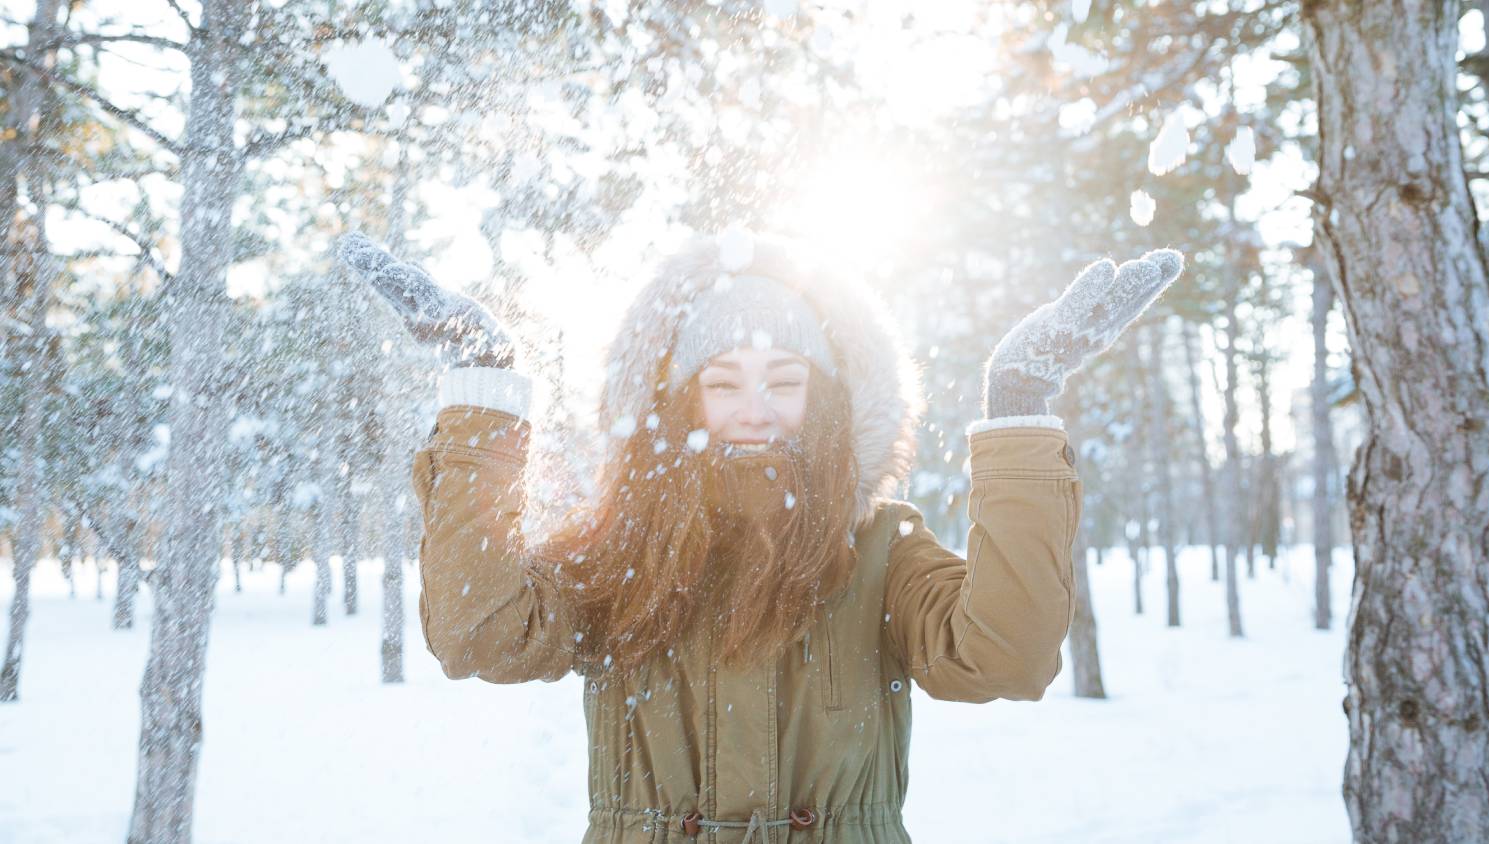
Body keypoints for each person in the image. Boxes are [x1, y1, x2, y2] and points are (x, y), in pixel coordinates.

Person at [338, 230, 1184, 843]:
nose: (755, 405)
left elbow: (1006, 655)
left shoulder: (882, 549)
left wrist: (1019, 404)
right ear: (680, 399)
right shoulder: (617, 550)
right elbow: (479, 633)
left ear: (827, 399)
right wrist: (485, 382)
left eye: (785, 379)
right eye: (724, 381)